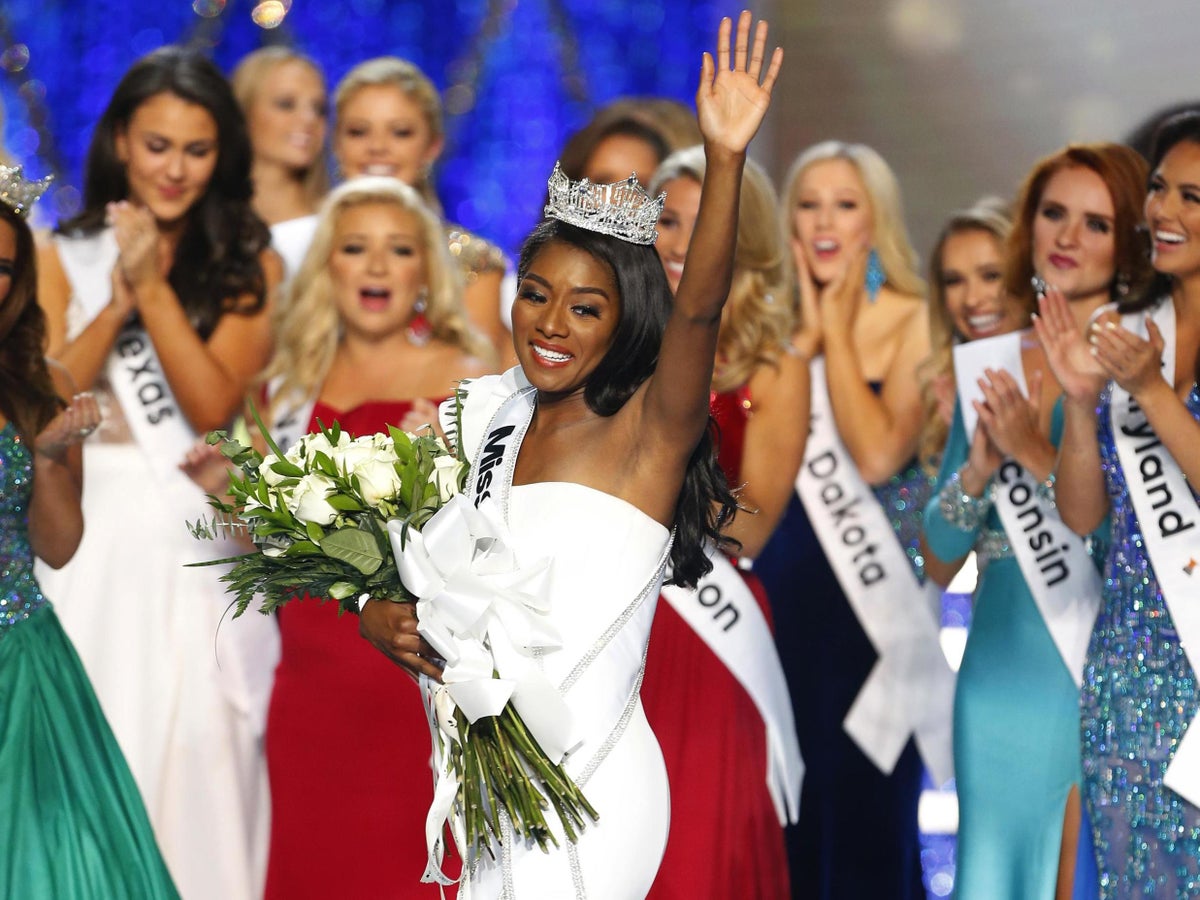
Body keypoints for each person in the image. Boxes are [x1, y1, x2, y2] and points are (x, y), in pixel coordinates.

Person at [359, 11, 782, 896]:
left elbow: (698, 312)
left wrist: (726, 157)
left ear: (625, 318)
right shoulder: (487, 417)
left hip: (592, 787)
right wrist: (378, 617)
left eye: (585, 308)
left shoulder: (649, 430)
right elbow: (431, 578)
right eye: (538, 296)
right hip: (490, 779)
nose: (551, 324)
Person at [33, 46, 282, 900]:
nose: (174, 169)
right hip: (88, 538)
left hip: (198, 540)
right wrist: (119, 299)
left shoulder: (254, 263)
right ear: (120, 144)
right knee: (95, 741)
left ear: (223, 157)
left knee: (199, 755)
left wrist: (155, 285)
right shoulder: (59, 252)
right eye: (156, 146)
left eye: (197, 149)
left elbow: (214, 404)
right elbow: (50, 392)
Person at [924, 145, 1151, 899]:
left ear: (1129, 244)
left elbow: (1125, 534)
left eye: (1097, 222)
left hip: (1105, 667)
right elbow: (937, 556)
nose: (1068, 237)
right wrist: (983, 467)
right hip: (995, 676)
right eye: (1055, 213)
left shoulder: (1150, 363)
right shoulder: (989, 362)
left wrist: (1038, 448)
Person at [259, 176, 494, 898]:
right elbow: (270, 533)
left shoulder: (470, 373)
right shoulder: (287, 381)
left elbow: (496, 530)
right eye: (355, 248)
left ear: (426, 270)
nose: (376, 266)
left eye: (398, 250)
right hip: (309, 669)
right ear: (326, 266)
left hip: (410, 667)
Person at [752, 140, 941, 900]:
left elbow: (874, 454)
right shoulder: (765, 327)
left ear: (878, 219)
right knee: (782, 816)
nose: (824, 222)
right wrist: (804, 329)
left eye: (845, 204)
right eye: (808, 203)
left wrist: (832, 332)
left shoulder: (912, 318)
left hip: (873, 618)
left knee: (866, 817)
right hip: (777, 599)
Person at [0, 166, 178, 899]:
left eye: (1, 268)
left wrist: (44, 459)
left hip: (20, 667)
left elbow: (60, 545)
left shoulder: (35, 382)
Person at [1036, 113, 1200, 897]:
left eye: (1192, 196)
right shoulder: (1134, 332)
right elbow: (1081, 516)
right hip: (1126, 676)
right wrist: (1077, 401)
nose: (1164, 211)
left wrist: (1150, 393)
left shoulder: (1142, 361)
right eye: (1161, 189)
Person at [640, 144, 804, 899]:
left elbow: (750, 529)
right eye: (668, 220)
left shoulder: (773, 365)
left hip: (704, 627)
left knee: (698, 858)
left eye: (707, 223)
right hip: (607, 625)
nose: (681, 241)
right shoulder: (604, 343)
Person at [332, 57, 510, 356]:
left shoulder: (473, 264)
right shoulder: (299, 250)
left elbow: (480, 392)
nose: (377, 147)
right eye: (358, 131)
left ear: (432, 146)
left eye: (400, 132)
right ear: (336, 143)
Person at [230, 46, 330, 279]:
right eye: (286, 104)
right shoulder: (207, 224)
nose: (309, 120)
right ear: (243, 113)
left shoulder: (336, 232)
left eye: (319, 109)